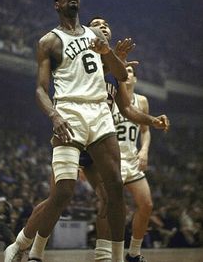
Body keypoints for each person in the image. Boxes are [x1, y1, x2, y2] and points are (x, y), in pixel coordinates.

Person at [25, 17, 169, 262]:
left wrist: (150, 120)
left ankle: (105, 255)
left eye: (106, 24)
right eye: (96, 23)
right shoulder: (79, 56)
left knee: (108, 197)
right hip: (74, 131)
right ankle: (23, 243)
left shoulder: (113, 65)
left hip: (99, 140)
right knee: (57, 197)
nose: (102, 25)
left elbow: (127, 108)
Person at [4, 0, 131, 262]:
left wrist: (109, 52)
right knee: (62, 193)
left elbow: (121, 75)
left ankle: (115, 257)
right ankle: (29, 247)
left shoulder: (96, 35)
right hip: (69, 113)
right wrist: (54, 114)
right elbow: (40, 89)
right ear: (56, 5)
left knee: (115, 189)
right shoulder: (48, 41)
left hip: (98, 112)